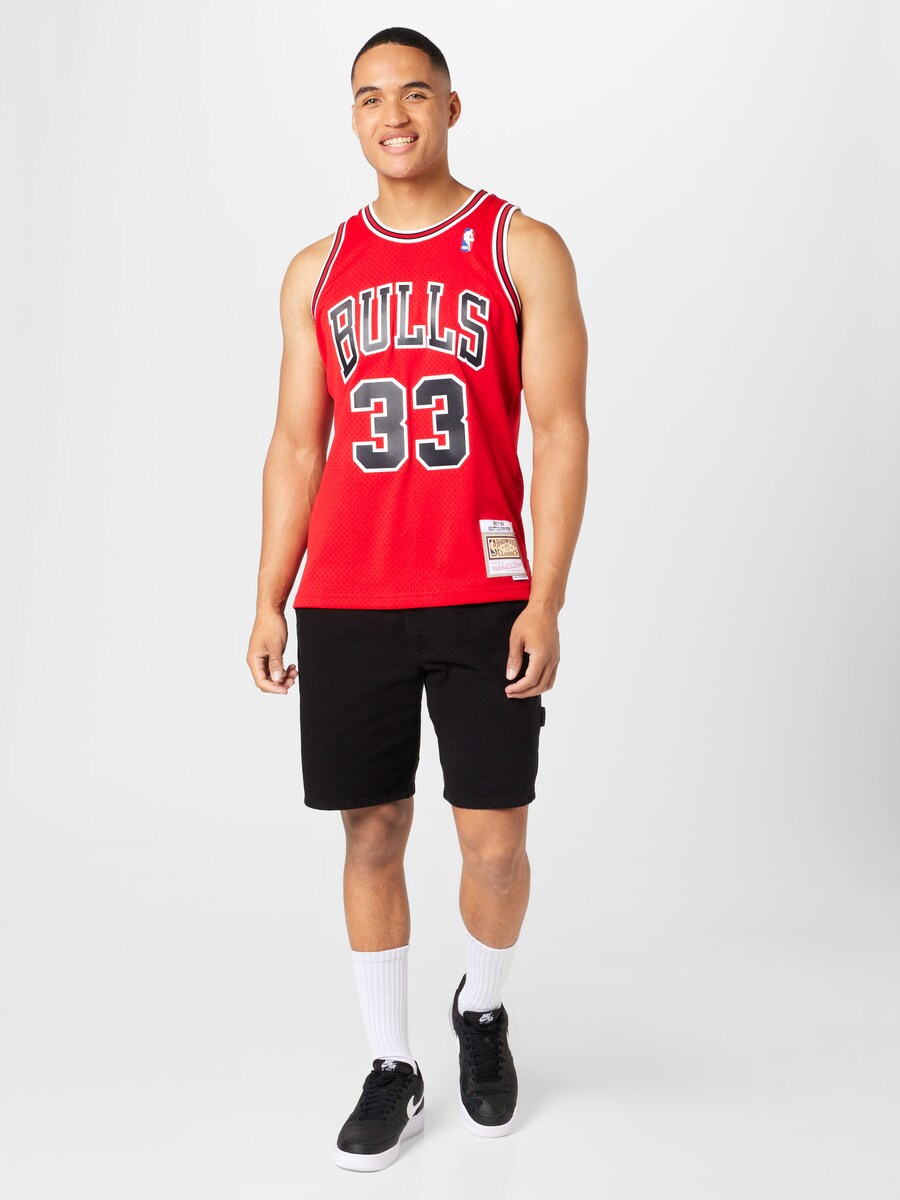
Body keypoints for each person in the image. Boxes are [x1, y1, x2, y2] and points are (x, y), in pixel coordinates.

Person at [246, 26, 589, 1172]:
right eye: (369, 98)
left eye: (413, 93)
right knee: (373, 831)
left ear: (450, 106)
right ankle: (392, 1064)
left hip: (482, 593)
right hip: (349, 598)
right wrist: (269, 596)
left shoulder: (520, 246)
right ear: (353, 118)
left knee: (494, 843)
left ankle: (480, 1008)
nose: (392, 115)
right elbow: (296, 444)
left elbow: (562, 431)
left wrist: (546, 596)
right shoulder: (318, 269)